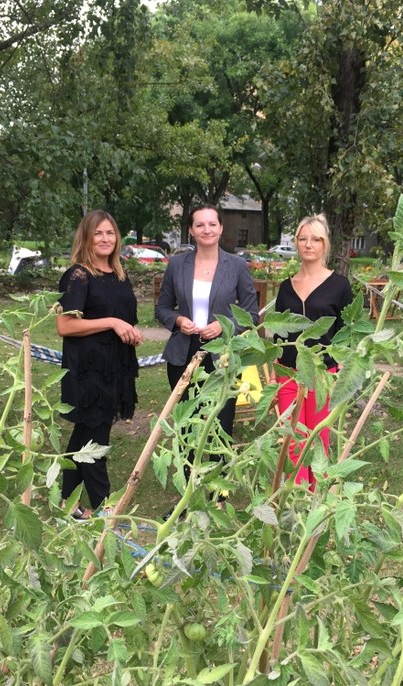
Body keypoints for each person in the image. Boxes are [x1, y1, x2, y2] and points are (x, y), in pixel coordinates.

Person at [155, 204, 259, 488]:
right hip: (182, 354)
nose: (207, 230)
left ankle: (217, 494)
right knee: (187, 424)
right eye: (200, 225)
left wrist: (225, 326)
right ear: (191, 230)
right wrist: (177, 320)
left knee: (220, 422)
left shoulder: (236, 266)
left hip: (222, 355)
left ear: (221, 228)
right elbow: (162, 308)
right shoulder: (178, 265)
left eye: (212, 224)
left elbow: (251, 314)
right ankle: (190, 492)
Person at [57, 209, 143, 519]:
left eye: (110, 233)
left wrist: (129, 331)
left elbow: (121, 318)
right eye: (98, 233)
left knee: (84, 438)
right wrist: (110, 322)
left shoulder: (119, 274)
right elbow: (65, 326)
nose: (105, 238)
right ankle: (107, 510)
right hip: (88, 371)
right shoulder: (78, 275)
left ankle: (66, 503)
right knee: (95, 443)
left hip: (115, 368)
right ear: (87, 238)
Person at [274, 214, 353, 490]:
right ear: (296, 243)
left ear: (325, 244)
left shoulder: (340, 285)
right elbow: (278, 333)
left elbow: (347, 333)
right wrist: (275, 373)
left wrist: (342, 371)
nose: (309, 245)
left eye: (315, 239)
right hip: (289, 375)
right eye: (303, 239)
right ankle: (294, 497)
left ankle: (315, 497)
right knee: (291, 440)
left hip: (323, 375)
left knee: (318, 439)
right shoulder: (286, 287)